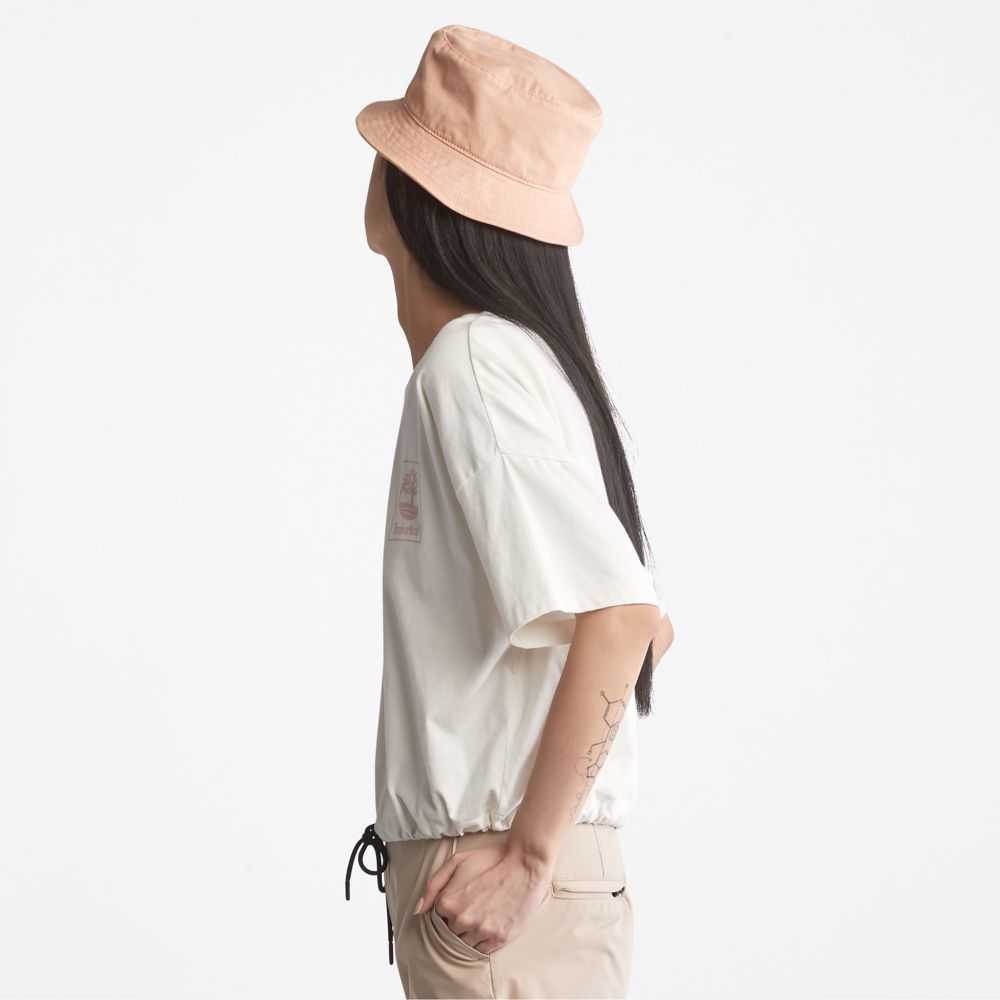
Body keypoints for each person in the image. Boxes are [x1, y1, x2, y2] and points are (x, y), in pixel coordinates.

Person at [344, 25, 675, 1000]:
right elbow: (642, 625)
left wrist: (528, 855)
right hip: (520, 886)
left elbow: (624, 619)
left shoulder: (475, 366)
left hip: (499, 883)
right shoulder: (522, 365)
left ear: (417, 195)